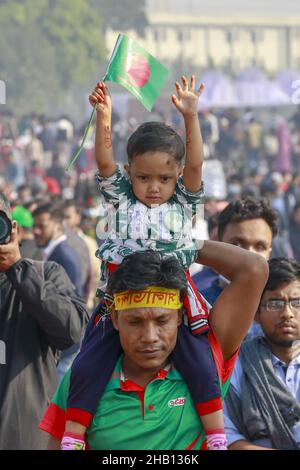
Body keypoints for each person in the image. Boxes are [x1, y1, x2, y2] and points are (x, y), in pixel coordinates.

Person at [62, 75, 231, 450]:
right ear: (129, 173)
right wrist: (103, 115)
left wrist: (191, 116)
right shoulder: (120, 200)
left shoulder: (184, 201)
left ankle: (218, 436)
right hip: (120, 297)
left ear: (176, 176)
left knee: (198, 359)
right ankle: (73, 437)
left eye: (164, 178)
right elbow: (103, 159)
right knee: (90, 361)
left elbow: (196, 164)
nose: (154, 187)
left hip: (173, 297)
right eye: (143, 178)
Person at [40, 244, 268, 450]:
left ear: (179, 316)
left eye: (161, 321)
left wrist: (176, 242)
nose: (149, 337)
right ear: (116, 319)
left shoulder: (208, 361)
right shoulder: (82, 377)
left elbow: (254, 268)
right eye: (135, 322)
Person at [0, 193, 89, 450]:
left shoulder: (44, 274)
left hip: (24, 437)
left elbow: (70, 331)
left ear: (12, 229)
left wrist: (17, 269)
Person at [224, 258, 300, 450]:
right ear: (256, 313)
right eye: (275, 303)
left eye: (297, 302)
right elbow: (228, 437)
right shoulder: (239, 365)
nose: (287, 313)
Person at [32, 201, 85, 381]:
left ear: (57, 225)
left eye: (42, 226)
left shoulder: (64, 256)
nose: (36, 231)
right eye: (34, 226)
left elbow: (69, 304)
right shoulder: (54, 253)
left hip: (64, 348)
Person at [197, 197, 278, 306]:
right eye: (238, 244)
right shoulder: (196, 308)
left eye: (260, 247)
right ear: (219, 246)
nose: (250, 255)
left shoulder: (281, 309)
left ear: (269, 252)